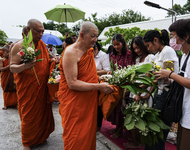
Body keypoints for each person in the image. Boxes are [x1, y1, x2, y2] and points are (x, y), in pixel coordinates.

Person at [57, 21, 114, 150]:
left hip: (88, 101)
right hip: (74, 104)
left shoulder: (89, 51)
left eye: (96, 36)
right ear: (82, 35)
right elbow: (72, 83)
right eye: (92, 36)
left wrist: (100, 79)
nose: (95, 40)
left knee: (87, 135)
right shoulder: (71, 52)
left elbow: (89, 74)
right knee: (75, 137)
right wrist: (99, 86)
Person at [155, 19, 190, 150]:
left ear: (185, 37)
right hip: (186, 114)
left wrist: (170, 75)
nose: (172, 40)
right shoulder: (186, 54)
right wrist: (170, 79)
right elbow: (185, 80)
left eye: (173, 36)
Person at [10, 19, 55, 150]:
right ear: (29, 30)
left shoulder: (42, 44)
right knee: (29, 115)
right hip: (28, 89)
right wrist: (25, 66)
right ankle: (27, 142)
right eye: (38, 31)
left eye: (42, 31)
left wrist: (53, 60)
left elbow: (44, 62)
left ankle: (40, 137)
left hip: (42, 88)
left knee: (42, 114)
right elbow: (12, 68)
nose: (41, 34)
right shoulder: (19, 46)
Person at [143, 29, 179, 150]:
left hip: (166, 95)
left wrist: (157, 79)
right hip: (159, 94)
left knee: (158, 132)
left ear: (156, 40)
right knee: (153, 131)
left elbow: (169, 76)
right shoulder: (159, 54)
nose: (148, 49)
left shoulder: (168, 51)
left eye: (148, 45)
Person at [123, 36, 155, 149]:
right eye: (134, 49)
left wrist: (138, 92)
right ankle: (136, 141)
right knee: (132, 117)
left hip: (142, 92)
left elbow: (149, 79)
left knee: (140, 119)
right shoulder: (138, 59)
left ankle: (137, 143)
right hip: (135, 91)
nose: (136, 50)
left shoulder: (150, 57)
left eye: (138, 48)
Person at [107, 34, 134, 139]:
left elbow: (132, 70)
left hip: (127, 86)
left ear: (123, 42)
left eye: (118, 44)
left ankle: (121, 130)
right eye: (114, 45)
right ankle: (118, 127)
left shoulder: (129, 54)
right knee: (116, 108)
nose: (116, 47)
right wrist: (110, 72)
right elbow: (113, 69)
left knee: (123, 109)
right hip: (116, 84)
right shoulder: (112, 55)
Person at [0, 45, 18, 110]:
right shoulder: (2, 60)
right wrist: (9, 66)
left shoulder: (12, 59)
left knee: (13, 88)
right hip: (4, 76)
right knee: (5, 89)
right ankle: (6, 104)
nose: (9, 54)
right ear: (3, 52)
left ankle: (14, 103)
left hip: (11, 75)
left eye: (10, 52)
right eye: (7, 52)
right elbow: (1, 69)